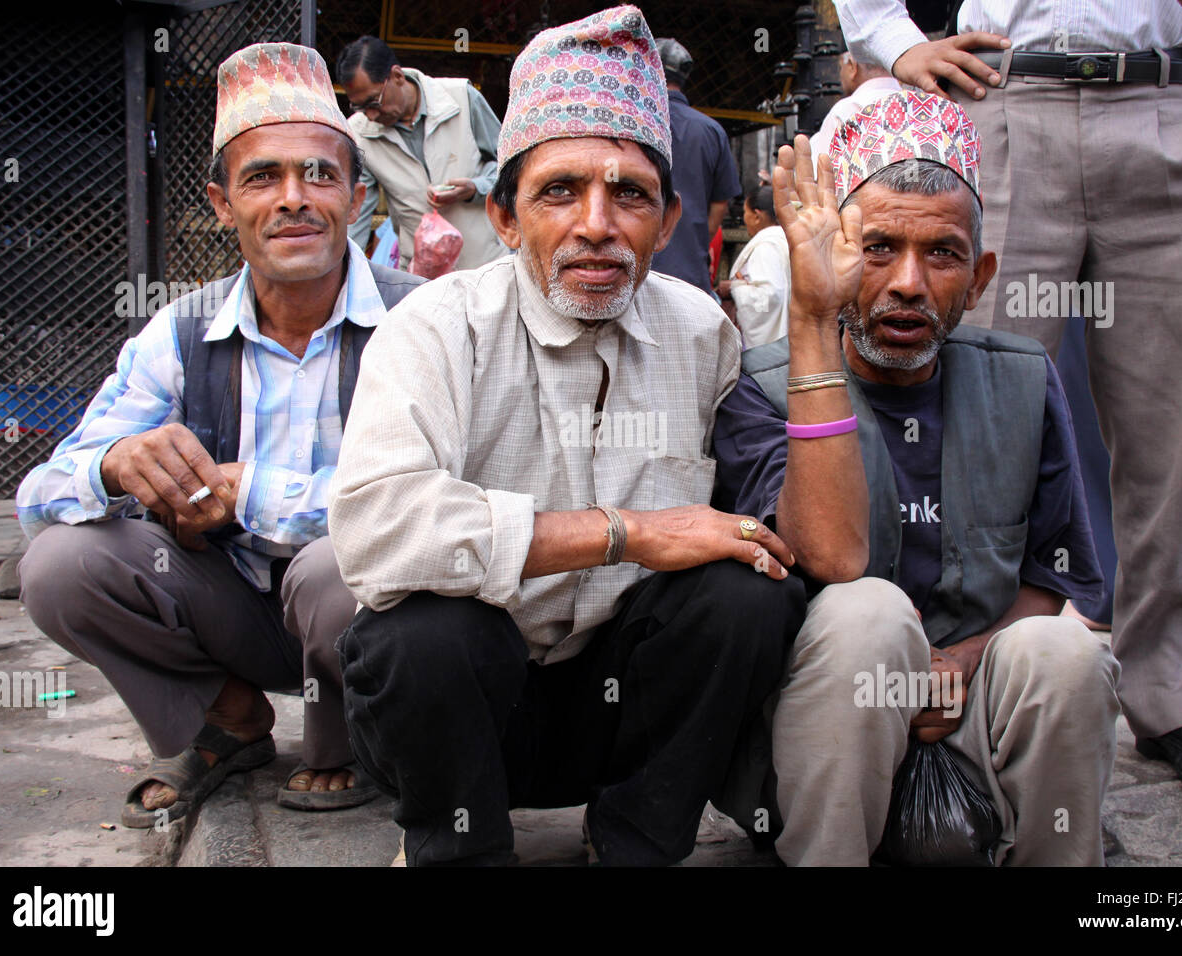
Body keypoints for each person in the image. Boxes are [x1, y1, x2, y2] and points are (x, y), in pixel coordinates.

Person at [326, 5, 868, 867]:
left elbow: (831, 555)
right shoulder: (434, 329)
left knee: (748, 595)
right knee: (419, 635)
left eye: (629, 195)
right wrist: (630, 532)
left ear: (666, 218)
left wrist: (811, 322)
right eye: (558, 191)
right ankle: (458, 852)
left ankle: (636, 845)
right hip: (468, 720)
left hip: (615, 720)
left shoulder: (702, 331)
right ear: (503, 220)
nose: (596, 224)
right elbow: (373, 529)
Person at [834, 0, 1182, 804]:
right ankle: (949, 695)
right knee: (965, 410)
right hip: (1005, 97)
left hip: (1172, 108)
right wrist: (896, 43)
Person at [16, 42, 422, 826]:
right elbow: (40, 497)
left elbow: (456, 500)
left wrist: (256, 494)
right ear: (221, 203)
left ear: (358, 197)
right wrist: (113, 463)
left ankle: (351, 739)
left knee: (339, 564)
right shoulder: (181, 330)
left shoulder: (426, 320)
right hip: (234, 606)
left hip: (362, 613)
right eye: (263, 177)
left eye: (320, 175)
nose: (293, 199)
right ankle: (229, 718)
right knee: (61, 563)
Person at [713, 92, 1121, 865]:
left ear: (979, 276)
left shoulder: (1025, 380)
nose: (908, 281)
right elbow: (800, 577)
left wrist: (959, 666)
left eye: (941, 254)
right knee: (865, 616)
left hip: (970, 717)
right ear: (833, 256)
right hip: (818, 725)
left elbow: (1051, 575)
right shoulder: (760, 386)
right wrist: (896, 676)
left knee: (1065, 655)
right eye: (877, 248)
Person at [337, 36, 507, 271]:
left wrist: (475, 188)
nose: (371, 116)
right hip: (421, 277)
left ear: (397, 76)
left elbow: (511, 170)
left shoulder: (461, 98)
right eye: (360, 107)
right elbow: (357, 209)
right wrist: (348, 270)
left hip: (485, 265)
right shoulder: (359, 133)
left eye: (374, 102)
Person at [648, 37, 742, 295]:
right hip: (691, 275)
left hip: (638, 272)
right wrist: (693, 237)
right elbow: (721, 204)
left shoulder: (633, 124)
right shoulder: (712, 131)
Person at [720, 185, 791, 347]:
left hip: (769, 345)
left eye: (746, 212)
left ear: (757, 216)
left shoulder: (766, 247)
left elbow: (769, 296)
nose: (744, 218)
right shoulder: (784, 240)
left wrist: (734, 288)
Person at [807, 46, 901, 168]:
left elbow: (820, 172)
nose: (840, 75)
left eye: (841, 67)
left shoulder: (845, 111)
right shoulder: (918, 105)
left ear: (852, 66)